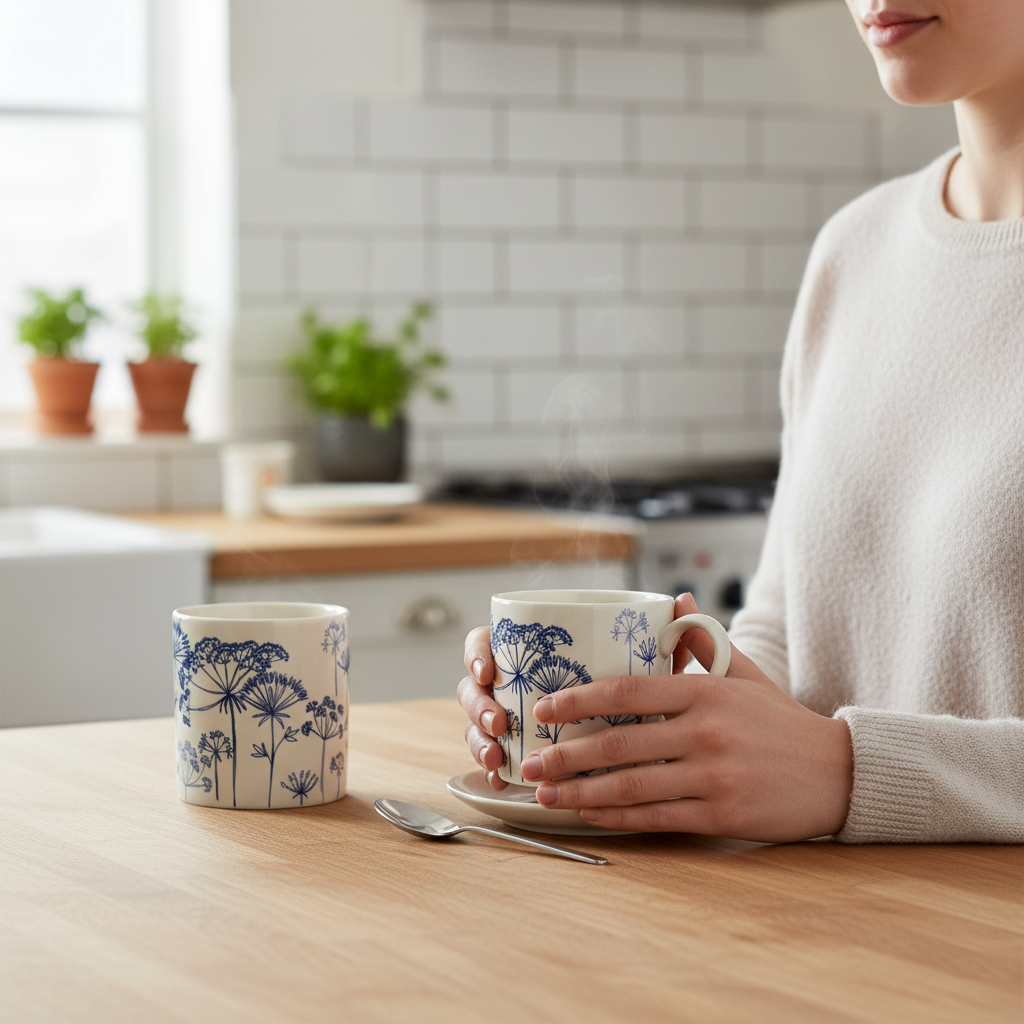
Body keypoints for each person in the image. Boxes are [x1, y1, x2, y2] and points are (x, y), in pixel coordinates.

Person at [456, 0, 1024, 844]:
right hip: (814, 938)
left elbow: (829, 758)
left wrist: (846, 771)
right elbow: (787, 634)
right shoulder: (854, 250)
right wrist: (640, 712)